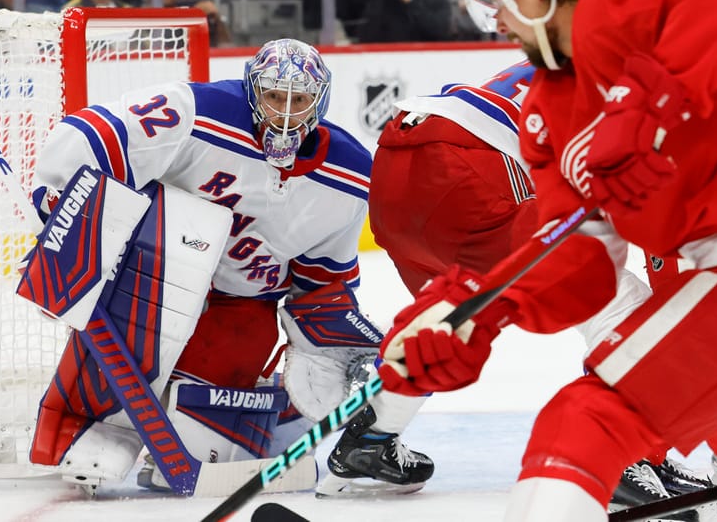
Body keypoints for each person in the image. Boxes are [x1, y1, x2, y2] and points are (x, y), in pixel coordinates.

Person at [378, 0, 717, 520]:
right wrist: (483, 307)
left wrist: (654, 96)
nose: (496, 18)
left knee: (586, 423)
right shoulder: (548, 113)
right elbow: (581, 256)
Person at [23, 38, 432, 493]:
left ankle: (264, 419)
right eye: (276, 97)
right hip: (150, 276)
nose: (287, 113)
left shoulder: (352, 175)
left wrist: (329, 340)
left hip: (241, 309)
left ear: (321, 102)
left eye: (301, 100)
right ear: (253, 92)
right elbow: (97, 133)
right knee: (185, 237)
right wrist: (61, 220)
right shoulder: (197, 111)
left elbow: (321, 281)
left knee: (204, 449)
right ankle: (94, 426)